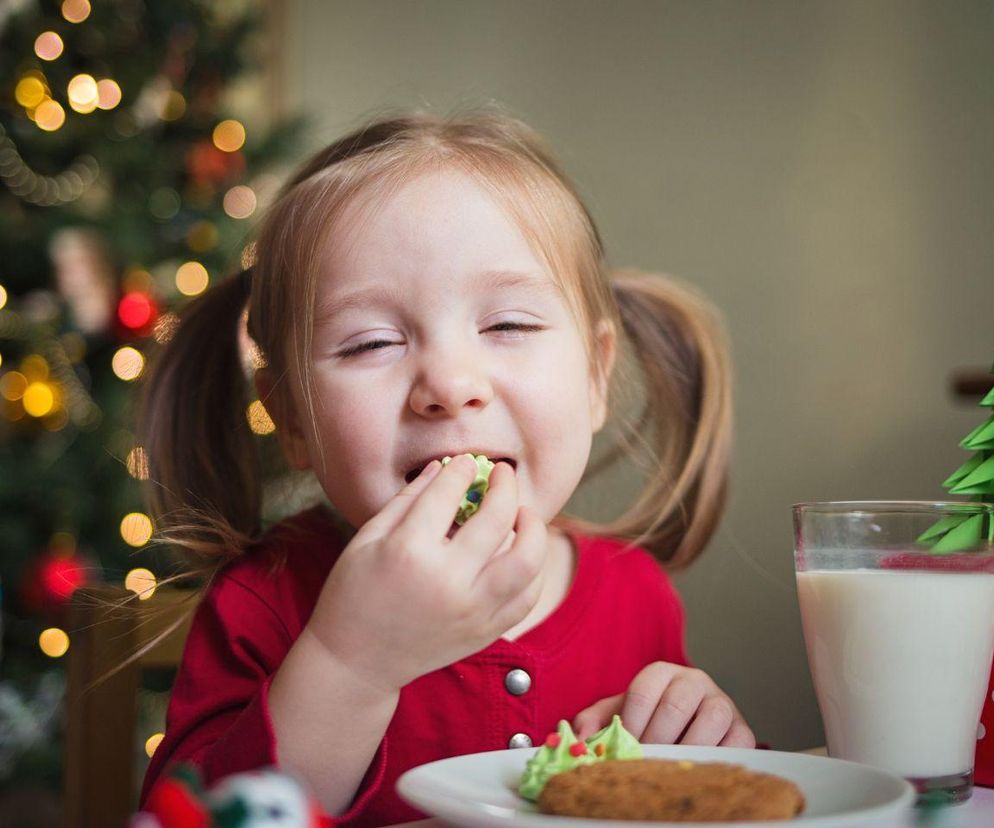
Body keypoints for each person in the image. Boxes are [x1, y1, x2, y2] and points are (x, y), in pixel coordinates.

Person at [137, 110, 754, 826]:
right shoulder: (265, 601)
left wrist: (700, 742)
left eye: (508, 326)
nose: (451, 384)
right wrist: (350, 661)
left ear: (595, 375)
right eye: (371, 343)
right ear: (293, 421)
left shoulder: (638, 597)